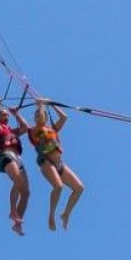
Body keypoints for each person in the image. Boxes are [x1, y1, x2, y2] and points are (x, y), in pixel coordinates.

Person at [25, 98, 86, 231]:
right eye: (35, 115)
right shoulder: (34, 130)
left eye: (39, 114)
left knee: (79, 188)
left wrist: (51, 104)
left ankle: (65, 214)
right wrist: (41, 104)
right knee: (58, 187)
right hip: (46, 162)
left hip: (60, 164)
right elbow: (41, 122)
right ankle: (51, 215)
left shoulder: (52, 130)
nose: (37, 116)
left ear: (46, 117)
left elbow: (64, 117)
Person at [0, 97, 29, 234]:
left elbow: (25, 128)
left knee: (26, 193)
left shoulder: (10, 131)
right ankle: (12, 211)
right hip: (6, 155)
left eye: (7, 115)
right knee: (18, 183)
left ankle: (18, 223)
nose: (7, 116)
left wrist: (17, 114)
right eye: (4, 114)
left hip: (18, 159)